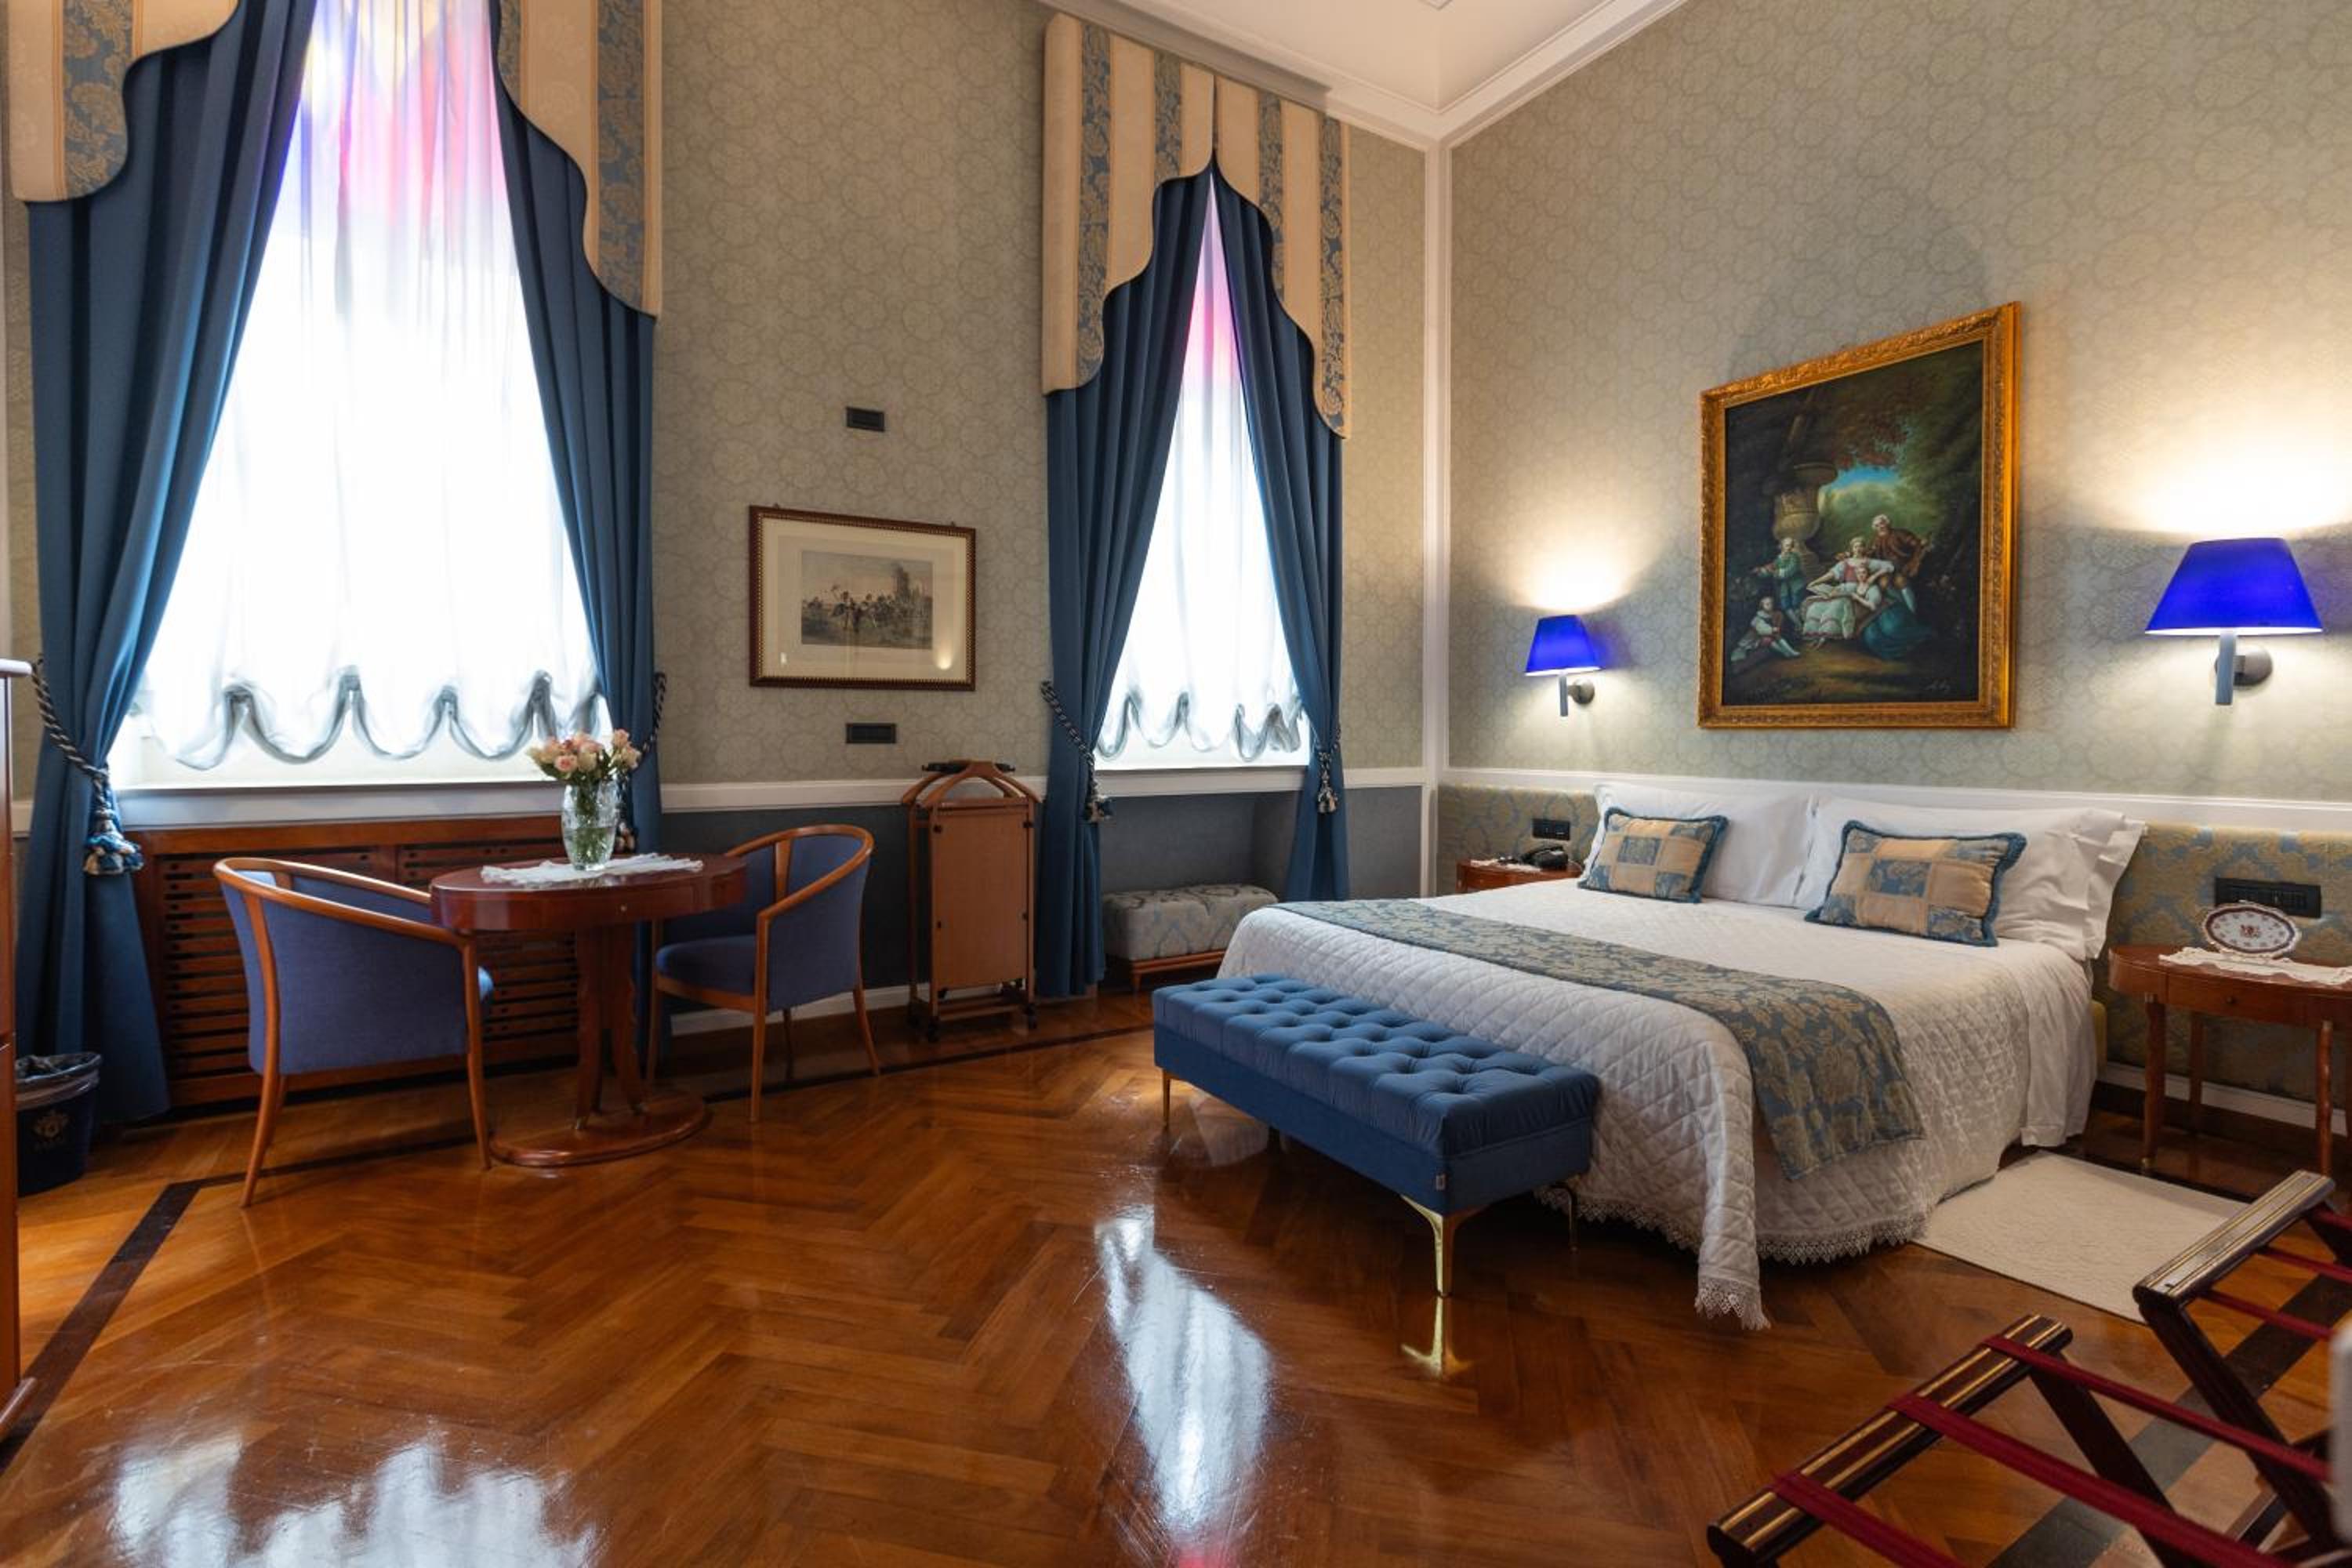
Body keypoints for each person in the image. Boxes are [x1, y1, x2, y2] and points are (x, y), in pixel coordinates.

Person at [1799, 537, 1893, 642]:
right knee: (1816, 607)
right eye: (1855, 547)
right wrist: (1816, 582)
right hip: (1843, 589)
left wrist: (1874, 576)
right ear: (1852, 548)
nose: (1858, 549)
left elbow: (1889, 566)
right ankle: (1817, 635)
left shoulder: (1869, 562)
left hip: (1857, 591)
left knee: (1836, 606)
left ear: (1864, 548)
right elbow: (1831, 574)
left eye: (1860, 546)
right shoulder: (1845, 563)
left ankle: (1826, 635)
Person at [1867, 514, 1929, 611]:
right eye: (1877, 526)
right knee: (1882, 584)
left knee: (1901, 582)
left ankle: (1912, 611)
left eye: (1882, 524)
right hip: (1887, 568)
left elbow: (1915, 543)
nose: (1880, 527)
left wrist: (1919, 545)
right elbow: (1870, 553)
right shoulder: (1876, 540)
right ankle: (1903, 607)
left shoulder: (1899, 533)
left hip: (1904, 565)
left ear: (1887, 523)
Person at [1731, 594, 1803, 664]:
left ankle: (1789, 652)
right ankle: (1786, 652)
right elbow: (1762, 630)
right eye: (1767, 604)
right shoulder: (1758, 617)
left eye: (1771, 604)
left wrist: (1775, 628)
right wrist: (1773, 630)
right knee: (1770, 638)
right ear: (1762, 606)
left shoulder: (1772, 614)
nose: (1770, 606)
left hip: (1763, 637)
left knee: (1773, 636)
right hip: (1753, 640)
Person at [1751, 536, 1809, 617]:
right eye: (1787, 545)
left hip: (1797, 584)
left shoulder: (1795, 557)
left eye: (1791, 545)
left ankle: (1803, 621)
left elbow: (1789, 571)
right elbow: (1772, 567)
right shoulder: (1779, 559)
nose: (1789, 548)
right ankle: (1798, 623)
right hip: (1785, 586)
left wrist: (1774, 571)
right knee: (1785, 605)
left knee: (1796, 604)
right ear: (1782, 546)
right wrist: (1761, 570)